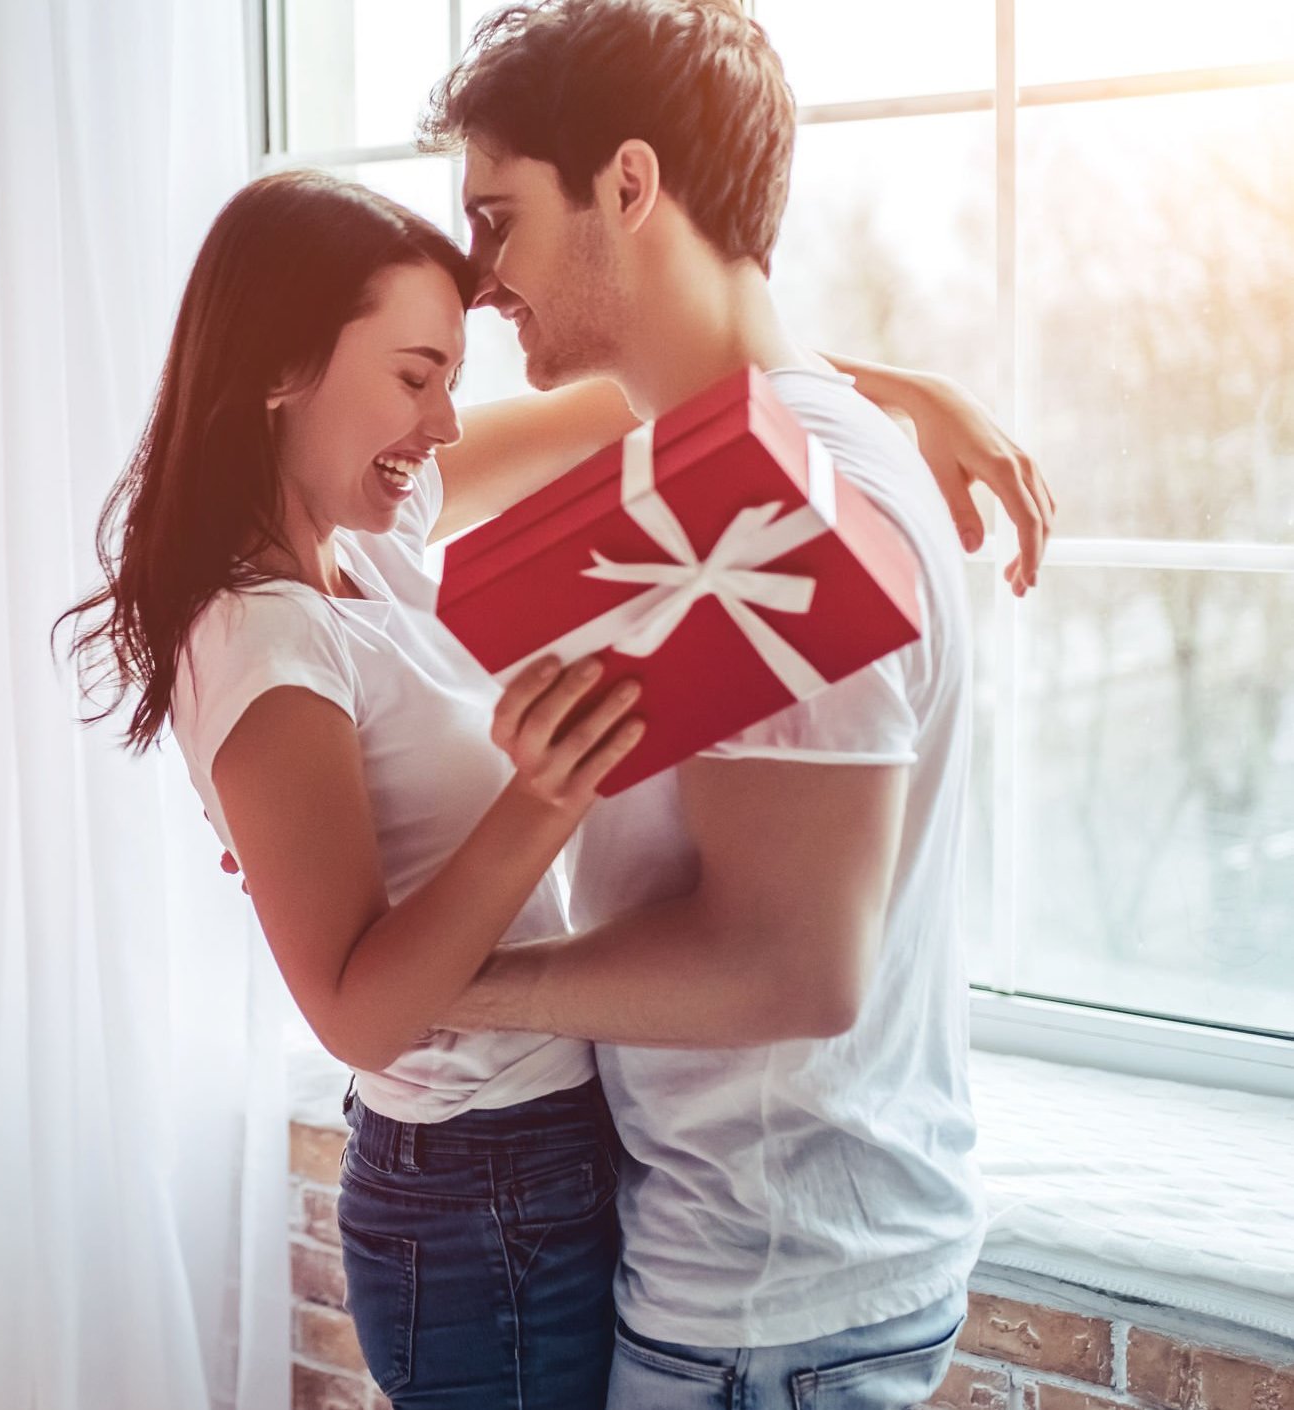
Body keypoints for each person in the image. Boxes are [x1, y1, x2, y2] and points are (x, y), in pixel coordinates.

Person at [60, 165, 1048, 1406]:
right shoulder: (265, 645)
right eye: (415, 377)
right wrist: (546, 794)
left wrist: (903, 391)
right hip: (470, 1197)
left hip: (554, 1152)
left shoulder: (370, 535)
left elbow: (630, 403)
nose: (445, 428)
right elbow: (357, 1017)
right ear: (279, 368)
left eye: (451, 382)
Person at [423, 3, 1041, 1406]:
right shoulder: (746, 457)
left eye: (495, 218)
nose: (477, 280)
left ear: (627, 186)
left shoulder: (763, 519)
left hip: (769, 1312)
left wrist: (455, 987)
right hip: (784, 1277)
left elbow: (787, 966)